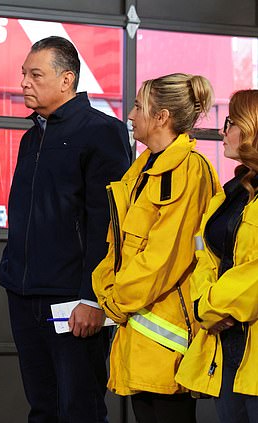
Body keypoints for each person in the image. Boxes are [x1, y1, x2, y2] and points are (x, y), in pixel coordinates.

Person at [0, 36, 131, 422]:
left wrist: (91, 297)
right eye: (24, 73)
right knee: (42, 409)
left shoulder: (101, 132)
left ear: (66, 80)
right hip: (24, 295)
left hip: (74, 301)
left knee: (80, 411)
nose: (23, 82)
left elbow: (107, 225)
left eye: (35, 74)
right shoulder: (31, 137)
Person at [92, 73, 221, 423]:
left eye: (137, 106)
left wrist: (115, 301)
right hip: (141, 334)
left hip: (168, 342)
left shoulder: (189, 171)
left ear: (161, 116)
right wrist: (105, 289)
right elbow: (119, 247)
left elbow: (163, 259)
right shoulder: (143, 167)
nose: (131, 116)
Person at [176, 89, 258, 423]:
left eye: (231, 122)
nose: (223, 131)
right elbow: (204, 254)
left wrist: (212, 305)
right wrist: (204, 307)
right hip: (226, 344)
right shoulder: (232, 193)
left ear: (252, 128)